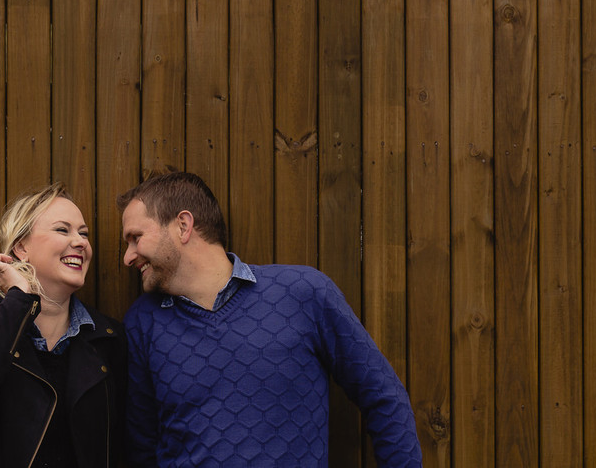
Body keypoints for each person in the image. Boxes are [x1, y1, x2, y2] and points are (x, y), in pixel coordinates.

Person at [119, 171, 421, 467]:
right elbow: (141, 449)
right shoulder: (143, 322)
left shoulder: (303, 293)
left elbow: (384, 398)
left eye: (136, 237)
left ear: (183, 226)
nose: (128, 257)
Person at [0, 183, 126, 468]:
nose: (81, 242)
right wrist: (20, 299)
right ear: (21, 247)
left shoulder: (109, 338)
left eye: (84, 233)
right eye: (63, 230)